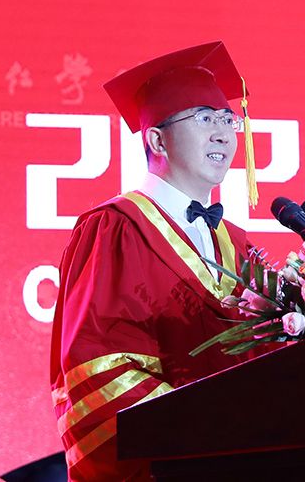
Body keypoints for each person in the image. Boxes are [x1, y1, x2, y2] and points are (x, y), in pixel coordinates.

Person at [49, 42, 261, 481]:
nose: (223, 134)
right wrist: (201, 436)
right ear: (156, 140)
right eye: (204, 118)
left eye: (227, 120)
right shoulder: (114, 229)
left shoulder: (239, 245)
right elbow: (99, 365)